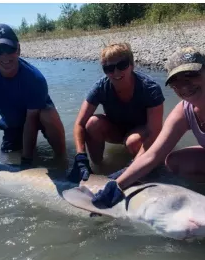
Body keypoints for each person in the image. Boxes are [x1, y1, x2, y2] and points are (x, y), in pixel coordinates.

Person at [90, 47, 205, 228]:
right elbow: (153, 155)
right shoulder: (185, 110)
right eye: (176, 81)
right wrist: (116, 184)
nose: (184, 86)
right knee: (176, 161)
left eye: (191, 75)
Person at [0, 23, 67, 177]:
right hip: (12, 123)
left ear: (19, 49)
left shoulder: (35, 78)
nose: (5, 56)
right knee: (9, 155)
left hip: (37, 116)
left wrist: (27, 161)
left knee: (47, 115)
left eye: (10, 49)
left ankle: (63, 159)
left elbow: (31, 120)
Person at [67, 43, 165, 182]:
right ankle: (95, 170)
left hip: (142, 133)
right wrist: (80, 157)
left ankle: (144, 170)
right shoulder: (101, 87)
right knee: (92, 123)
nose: (116, 72)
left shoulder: (150, 88)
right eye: (109, 68)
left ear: (131, 65)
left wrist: (131, 169)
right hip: (117, 131)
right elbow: (79, 123)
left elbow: (155, 132)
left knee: (133, 142)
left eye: (122, 65)